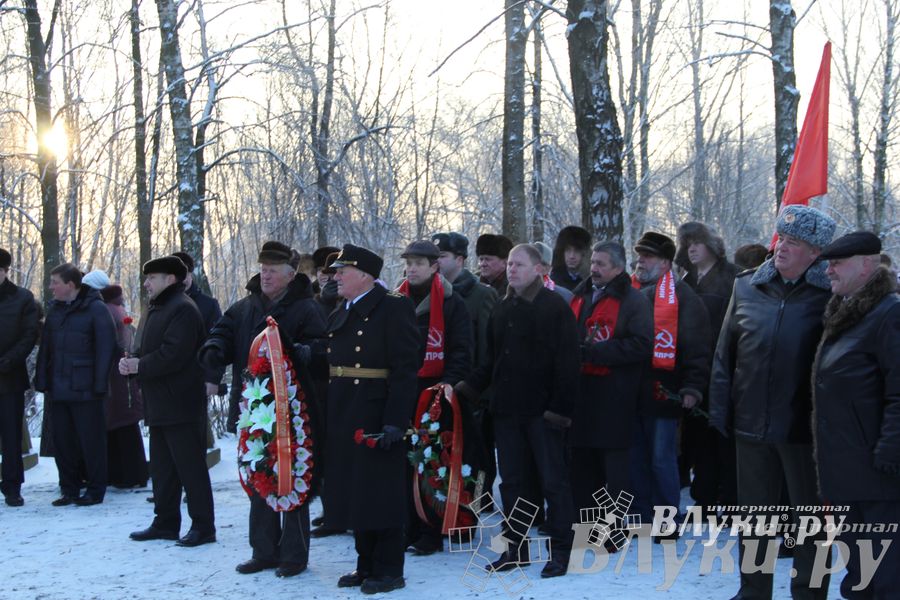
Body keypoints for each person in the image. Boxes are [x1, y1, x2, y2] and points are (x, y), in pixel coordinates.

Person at [709, 205, 836, 600]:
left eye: (794, 243)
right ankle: (753, 590)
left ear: (815, 253)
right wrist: (720, 408)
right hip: (750, 423)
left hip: (804, 429)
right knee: (754, 519)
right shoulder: (747, 286)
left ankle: (809, 592)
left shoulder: (829, 295)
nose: (781, 247)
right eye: (782, 238)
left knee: (810, 521)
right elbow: (725, 352)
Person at [200, 241, 326, 574]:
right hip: (253, 406)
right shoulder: (245, 307)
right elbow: (222, 333)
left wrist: (302, 352)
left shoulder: (307, 308)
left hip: (293, 410)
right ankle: (263, 550)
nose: (265, 276)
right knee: (258, 474)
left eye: (272, 271)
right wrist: (214, 351)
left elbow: (323, 348)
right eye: (263, 270)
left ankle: (294, 554)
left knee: (293, 476)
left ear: (290, 274)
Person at [456, 243, 580, 578]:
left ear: (539, 269)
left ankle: (561, 552)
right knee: (511, 483)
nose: (512, 269)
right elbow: (492, 361)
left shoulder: (554, 307)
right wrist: (466, 389)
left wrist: (559, 410)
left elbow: (569, 364)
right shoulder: (503, 307)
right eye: (510, 264)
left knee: (553, 483)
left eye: (519, 264)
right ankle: (515, 549)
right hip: (507, 411)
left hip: (543, 413)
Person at [321, 244, 419, 594]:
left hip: (376, 410)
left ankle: (389, 569)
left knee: (381, 492)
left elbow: (406, 368)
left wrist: (396, 420)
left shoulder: (393, 306)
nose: (335, 276)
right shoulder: (343, 309)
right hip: (345, 409)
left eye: (342, 271)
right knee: (357, 490)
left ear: (364, 275)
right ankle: (366, 564)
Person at [812, 231, 900, 599]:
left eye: (837, 263)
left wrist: (890, 451)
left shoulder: (889, 313)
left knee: (886, 576)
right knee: (859, 576)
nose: (829, 271)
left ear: (866, 266)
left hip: (877, 473)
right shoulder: (846, 312)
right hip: (846, 469)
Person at [123, 256, 215, 547]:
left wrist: (140, 365)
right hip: (159, 401)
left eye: (152, 278)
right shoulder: (157, 307)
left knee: (190, 468)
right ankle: (165, 522)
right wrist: (132, 363)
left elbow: (174, 355)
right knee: (162, 468)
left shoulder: (183, 308)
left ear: (170, 279)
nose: (146, 284)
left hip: (181, 402)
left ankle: (203, 526)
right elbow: (147, 348)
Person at [630, 232, 711, 536]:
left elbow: (698, 348)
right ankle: (641, 516)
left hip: (665, 391)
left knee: (661, 458)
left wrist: (692, 387)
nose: (641, 262)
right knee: (636, 456)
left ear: (665, 263)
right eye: (639, 256)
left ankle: (666, 519)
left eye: (648, 257)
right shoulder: (631, 291)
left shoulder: (684, 298)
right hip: (632, 391)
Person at [395, 240, 474, 556]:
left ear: (434, 267)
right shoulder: (396, 300)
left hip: (437, 394)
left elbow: (462, 350)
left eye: (418, 263)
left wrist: (446, 385)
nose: (412, 269)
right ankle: (409, 526)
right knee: (405, 464)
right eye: (409, 263)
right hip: (404, 391)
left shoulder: (452, 303)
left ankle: (432, 528)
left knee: (432, 462)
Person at [568, 241, 652, 520]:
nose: (593, 268)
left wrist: (596, 352)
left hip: (615, 398)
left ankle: (613, 525)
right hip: (582, 396)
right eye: (592, 262)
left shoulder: (634, 300)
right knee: (583, 468)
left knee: (614, 471)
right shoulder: (580, 294)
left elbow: (642, 344)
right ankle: (584, 523)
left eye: (601, 264)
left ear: (618, 268)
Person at [35, 263, 117, 507]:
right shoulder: (55, 311)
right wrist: (42, 378)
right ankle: (69, 489)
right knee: (63, 443)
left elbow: (106, 349)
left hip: (87, 389)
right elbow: (46, 349)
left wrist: (99, 385)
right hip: (58, 389)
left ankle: (95, 490)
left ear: (70, 285)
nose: (50, 287)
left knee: (91, 442)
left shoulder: (96, 309)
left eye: (55, 283)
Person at [432, 231, 500, 510]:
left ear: (460, 259)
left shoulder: (481, 294)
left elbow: (487, 346)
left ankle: (479, 498)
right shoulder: (431, 293)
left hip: (471, 390)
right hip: (441, 386)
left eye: (442, 256)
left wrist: (478, 389)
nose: (436, 262)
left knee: (477, 450)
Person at [675, 222, 740, 510]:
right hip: (693, 370)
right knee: (697, 437)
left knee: (724, 435)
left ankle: (730, 500)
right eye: (687, 244)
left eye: (697, 243)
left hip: (725, 368)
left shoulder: (733, 277)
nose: (691, 249)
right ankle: (704, 499)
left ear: (711, 245)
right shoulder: (684, 282)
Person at [0, 248, 40, 507]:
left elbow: (29, 335)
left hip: (9, 376)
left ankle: (12, 486)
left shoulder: (22, 298)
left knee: (11, 435)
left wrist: (8, 361)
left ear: (5, 271)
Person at [100, 284, 148, 489]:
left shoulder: (108, 311)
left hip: (117, 376)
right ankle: (131, 473)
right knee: (125, 426)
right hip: (123, 376)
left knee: (120, 426)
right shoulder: (118, 309)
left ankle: (126, 474)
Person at [172, 251, 224, 398]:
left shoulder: (208, 305)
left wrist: (213, 377)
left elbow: (216, 341)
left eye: (184, 275)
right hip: (166, 381)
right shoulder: (160, 305)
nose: (181, 280)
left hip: (196, 379)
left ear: (190, 275)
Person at [550, 225, 592, 291]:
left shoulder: (592, 281)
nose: (572, 256)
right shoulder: (552, 283)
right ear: (561, 252)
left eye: (577, 251)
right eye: (568, 250)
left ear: (584, 253)